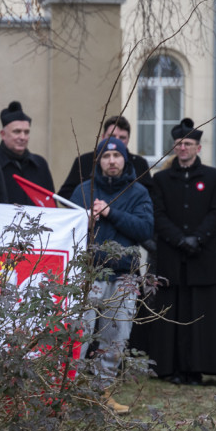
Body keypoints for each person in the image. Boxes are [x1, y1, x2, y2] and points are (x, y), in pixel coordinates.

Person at [70, 137, 153, 414]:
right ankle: (68, 391)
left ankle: (102, 391)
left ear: (125, 160)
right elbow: (66, 232)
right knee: (78, 335)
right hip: (89, 274)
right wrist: (86, 222)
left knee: (116, 337)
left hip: (123, 276)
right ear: (99, 161)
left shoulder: (138, 192)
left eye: (117, 156)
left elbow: (145, 230)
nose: (112, 161)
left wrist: (110, 212)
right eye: (106, 156)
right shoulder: (83, 190)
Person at [149, 118, 216, 385]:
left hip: (202, 257)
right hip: (172, 255)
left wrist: (198, 238)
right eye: (179, 144)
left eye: (188, 144)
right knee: (172, 314)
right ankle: (173, 368)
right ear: (174, 148)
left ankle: (197, 368)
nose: (183, 148)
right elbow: (158, 215)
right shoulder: (161, 179)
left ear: (198, 148)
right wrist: (180, 239)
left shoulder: (214, 177)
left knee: (199, 314)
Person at [57, 115, 154, 200]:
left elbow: (150, 197)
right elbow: (65, 194)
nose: (117, 141)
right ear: (103, 136)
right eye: (112, 136)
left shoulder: (139, 163)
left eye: (122, 138)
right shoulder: (84, 161)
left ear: (128, 140)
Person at [0, 100, 55, 206]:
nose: (22, 137)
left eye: (26, 132)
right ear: (3, 134)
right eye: (17, 132)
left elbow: (51, 205)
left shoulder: (40, 164)